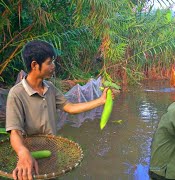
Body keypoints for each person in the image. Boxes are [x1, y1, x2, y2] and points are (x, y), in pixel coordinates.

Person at [5, 40, 110, 180]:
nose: (53, 66)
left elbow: (70, 108)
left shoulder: (50, 88)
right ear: (35, 65)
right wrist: (23, 152)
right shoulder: (16, 94)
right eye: (49, 63)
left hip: (51, 152)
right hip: (30, 158)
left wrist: (100, 101)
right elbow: (15, 132)